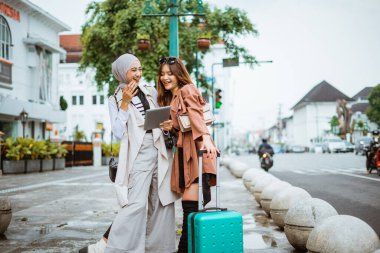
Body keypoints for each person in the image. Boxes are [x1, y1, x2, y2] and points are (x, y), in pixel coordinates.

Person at [81, 53, 180, 253]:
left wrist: (166, 124)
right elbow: (118, 132)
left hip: (160, 151)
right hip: (138, 155)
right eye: (133, 70)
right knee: (134, 204)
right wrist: (125, 103)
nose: (138, 74)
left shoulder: (150, 91)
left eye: (140, 69)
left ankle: (160, 249)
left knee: (162, 201)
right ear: (121, 72)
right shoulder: (115, 98)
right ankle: (117, 248)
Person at [157, 56, 218, 253]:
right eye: (163, 74)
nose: (165, 78)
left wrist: (207, 138)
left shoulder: (187, 89)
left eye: (170, 74)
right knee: (189, 212)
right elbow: (185, 126)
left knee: (189, 212)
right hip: (184, 156)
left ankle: (183, 251)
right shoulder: (174, 97)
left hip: (195, 154)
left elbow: (196, 114)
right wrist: (171, 127)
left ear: (179, 75)